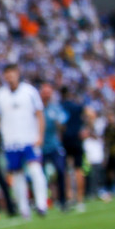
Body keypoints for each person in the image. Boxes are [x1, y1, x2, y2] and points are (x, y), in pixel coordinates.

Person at [0, 64, 47, 218]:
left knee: (36, 170)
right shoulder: (0, 95)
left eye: (12, 73)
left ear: (17, 73)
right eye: (7, 74)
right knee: (16, 175)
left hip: (29, 138)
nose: (10, 77)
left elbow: (39, 115)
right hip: (11, 141)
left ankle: (41, 204)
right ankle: (24, 209)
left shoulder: (29, 92)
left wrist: (40, 135)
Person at [39, 83, 68, 212]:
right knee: (40, 176)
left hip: (54, 146)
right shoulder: (37, 108)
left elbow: (63, 125)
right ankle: (43, 202)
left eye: (49, 92)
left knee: (61, 171)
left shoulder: (55, 108)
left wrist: (59, 124)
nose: (47, 95)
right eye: (44, 92)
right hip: (40, 147)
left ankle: (63, 201)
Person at [58, 88, 87, 212]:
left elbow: (60, 124)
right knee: (78, 169)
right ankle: (80, 200)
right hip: (77, 139)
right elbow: (90, 114)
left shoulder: (61, 107)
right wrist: (86, 128)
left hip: (65, 140)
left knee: (67, 170)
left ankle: (70, 197)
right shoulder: (76, 107)